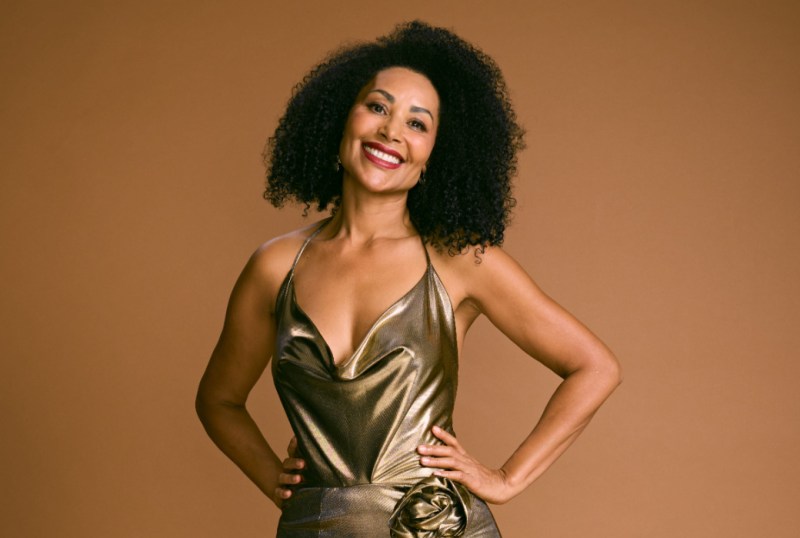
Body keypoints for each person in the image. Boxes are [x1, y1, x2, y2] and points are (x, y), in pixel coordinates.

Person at [196, 21, 621, 537]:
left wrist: (507, 478)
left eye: (417, 124)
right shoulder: (274, 266)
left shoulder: (460, 261)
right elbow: (218, 400)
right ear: (339, 120)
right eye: (377, 107)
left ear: (436, 157)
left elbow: (594, 367)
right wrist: (278, 483)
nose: (391, 131)